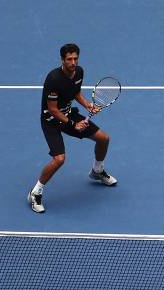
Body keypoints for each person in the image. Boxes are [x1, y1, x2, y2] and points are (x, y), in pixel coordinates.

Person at [28, 43, 116, 214]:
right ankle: (35, 192)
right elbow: (53, 109)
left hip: (69, 114)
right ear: (62, 60)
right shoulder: (53, 79)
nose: (73, 62)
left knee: (104, 139)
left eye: (75, 58)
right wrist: (73, 124)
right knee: (59, 159)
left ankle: (97, 171)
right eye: (69, 59)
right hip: (51, 121)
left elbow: (75, 93)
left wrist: (88, 106)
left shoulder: (79, 72)